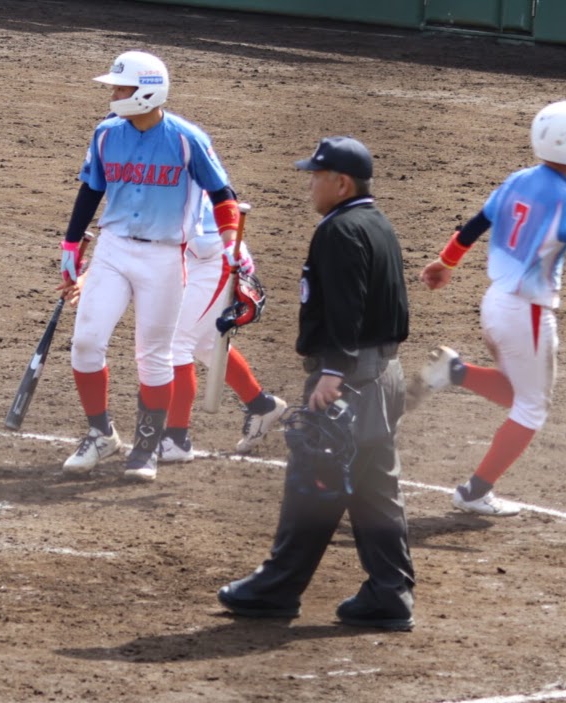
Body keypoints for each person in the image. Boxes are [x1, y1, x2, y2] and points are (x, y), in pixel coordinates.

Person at [410, 100, 566, 517]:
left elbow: (476, 223)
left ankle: (454, 372)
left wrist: (446, 262)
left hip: (495, 304)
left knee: (518, 392)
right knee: (532, 408)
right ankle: (474, 492)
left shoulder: (518, 179)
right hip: (528, 315)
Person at [217, 136, 415, 631]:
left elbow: (348, 304)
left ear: (341, 183)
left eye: (317, 177)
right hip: (384, 374)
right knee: (374, 488)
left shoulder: (340, 231)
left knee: (315, 480)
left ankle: (276, 587)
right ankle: (390, 592)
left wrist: (334, 370)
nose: (310, 185)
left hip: (350, 379)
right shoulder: (377, 223)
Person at [57, 50, 249, 482]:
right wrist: (71, 242)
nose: (113, 94)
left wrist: (230, 243)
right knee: (86, 342)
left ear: (146, 91)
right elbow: (91, 190)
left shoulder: (186, 138)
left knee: (154, 356)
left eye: (120, 87)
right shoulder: (105, 134)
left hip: (164, 256)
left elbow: (223, 194)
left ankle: (146, 448)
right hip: (113, 249)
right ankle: (101, 434)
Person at [159, 196, 287, 462]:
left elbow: (220, 198)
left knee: (178, 342)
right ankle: (262, 405)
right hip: (192, 256)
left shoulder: (192, 172)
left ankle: (176, 440)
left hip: (215, 257)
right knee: (206, 344)